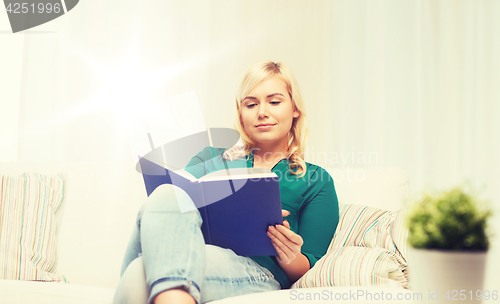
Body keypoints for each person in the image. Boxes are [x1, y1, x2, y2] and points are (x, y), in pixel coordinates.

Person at [114, 61, 339, 304]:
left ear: (295, 109)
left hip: (254, 272)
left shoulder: (316, 180)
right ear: (241, 114)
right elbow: (169, 216)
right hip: (188, 250)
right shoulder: (210, 157)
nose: (262, 112)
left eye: (274, 102)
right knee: (168, 193)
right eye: (251, 104)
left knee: (138, 274)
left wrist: (289, 255)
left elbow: (309, 265)